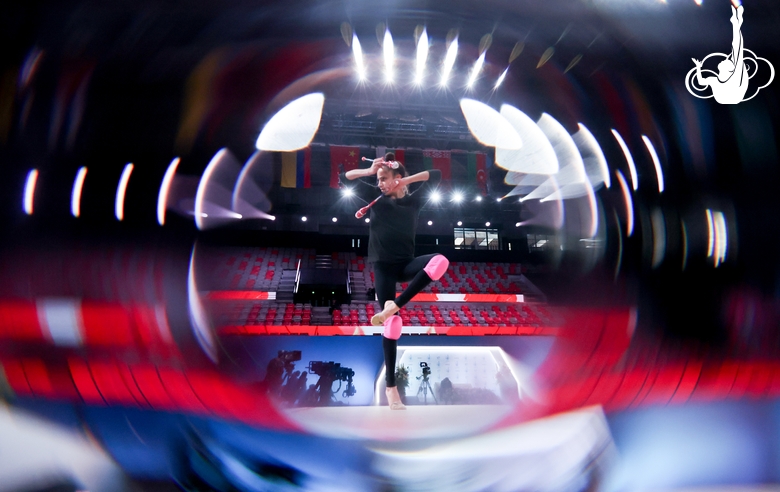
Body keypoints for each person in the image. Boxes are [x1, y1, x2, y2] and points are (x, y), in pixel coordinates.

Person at [341, 152, 449, 410]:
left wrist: (404, 181)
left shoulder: (413, 202)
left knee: (441, 261)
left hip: (406, 264)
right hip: (384, 268)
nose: (380, 183)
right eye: (378, 179)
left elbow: (437, 175)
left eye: (384, 178)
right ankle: (391, 390)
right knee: (393, 324)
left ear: (397, 178)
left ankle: (396, 303)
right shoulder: (377, 199)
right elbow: (345, 177)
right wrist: (369, 173)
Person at [692, 5, 747, 104]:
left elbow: (737, 46)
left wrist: (736, 25)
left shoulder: (733, 78)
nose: (725, 59)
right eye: (728, 60)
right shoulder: (716, 80)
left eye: (727, 61)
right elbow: (737, 48)